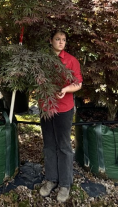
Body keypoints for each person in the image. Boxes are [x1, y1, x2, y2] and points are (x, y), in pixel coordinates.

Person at [39, 30, 83, 203]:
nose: (61, 42)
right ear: (50, 41)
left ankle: (65, 183)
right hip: (46, 107)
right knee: (49, 144)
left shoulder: (71, 60)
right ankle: (51, 179)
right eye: (57, 39)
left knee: (64, 145)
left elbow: (78, 83)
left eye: (63, 40)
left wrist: (65, 90)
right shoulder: (42, 60)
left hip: (64, 108)